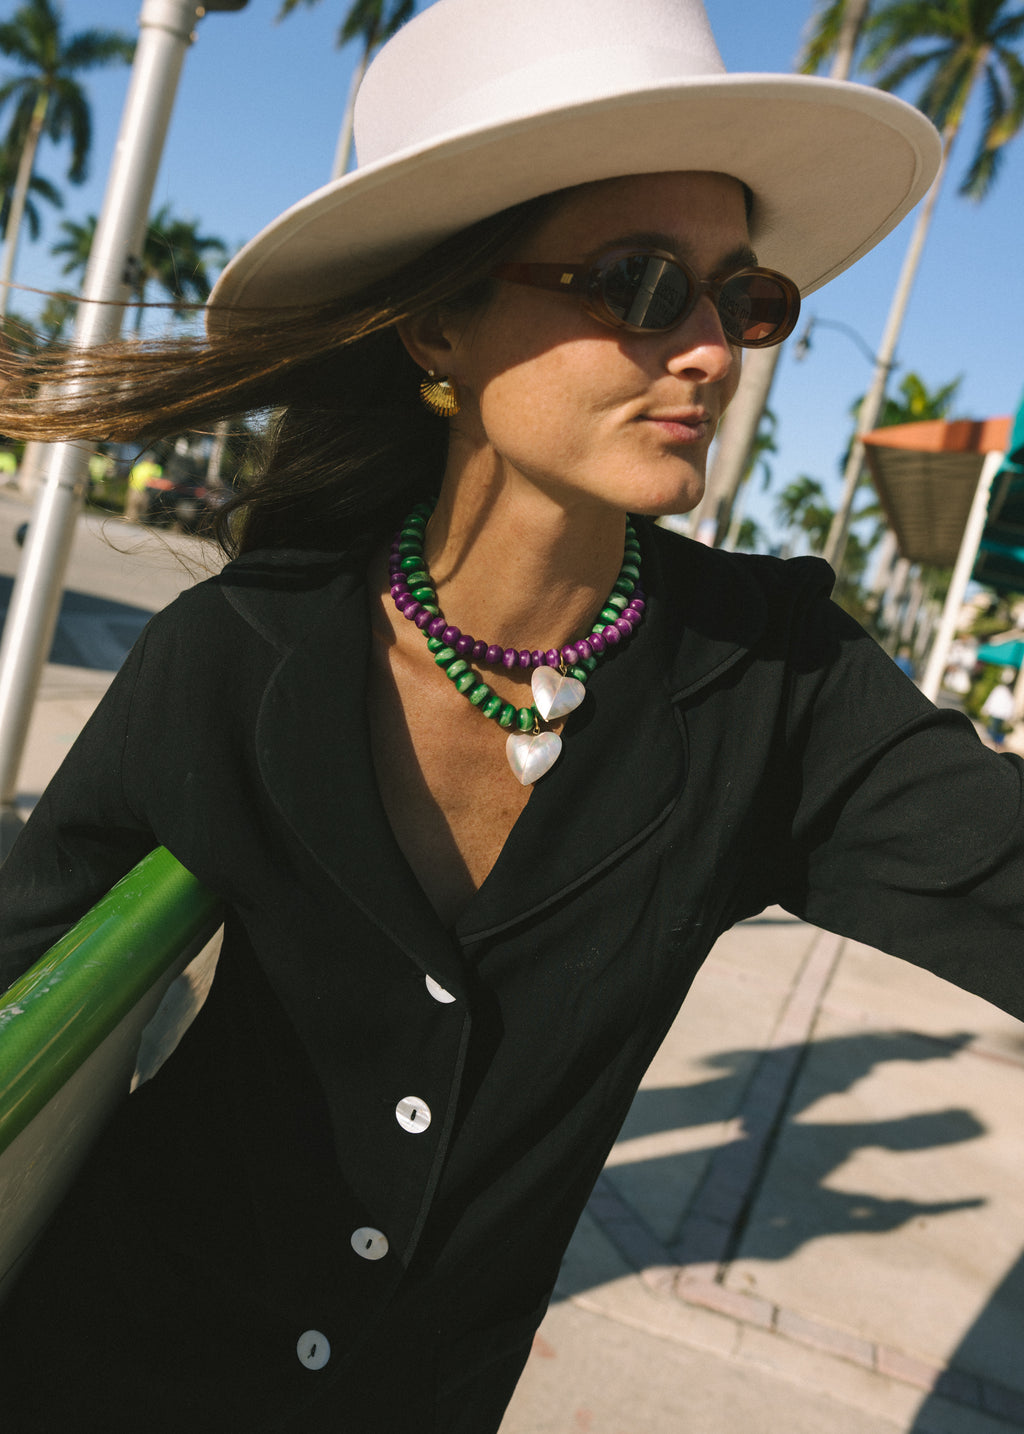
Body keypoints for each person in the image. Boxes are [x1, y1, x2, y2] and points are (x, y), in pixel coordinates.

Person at [0, 0, 1020, 1429]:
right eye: (641, 284)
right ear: (441, 322)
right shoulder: (237, 658)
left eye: (742, 296)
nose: (718, 353)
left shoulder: (775, 685)